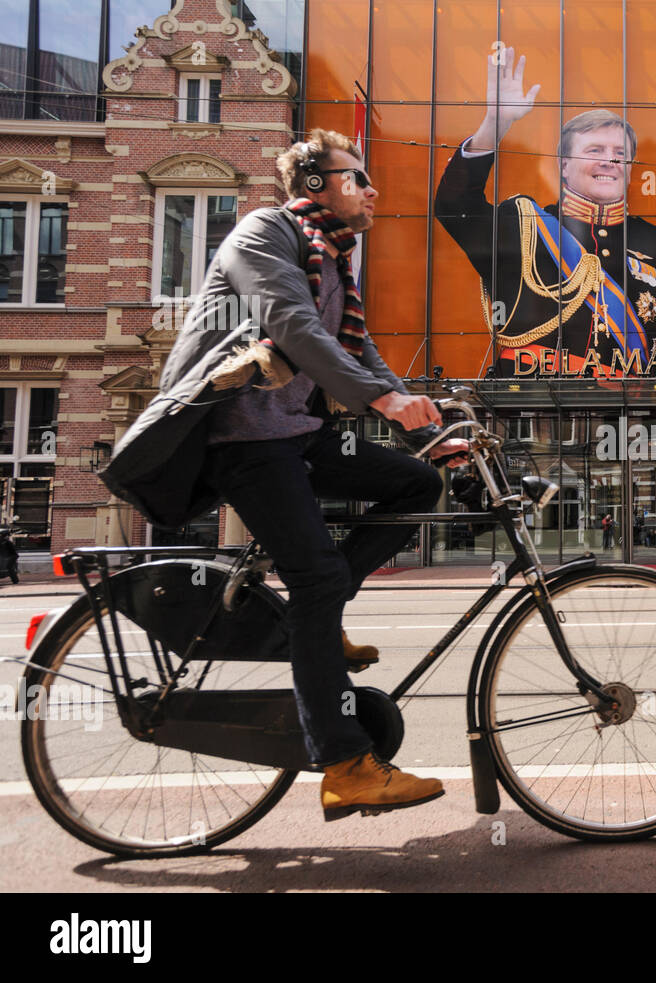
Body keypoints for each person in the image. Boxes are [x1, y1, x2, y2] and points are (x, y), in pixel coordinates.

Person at [101, 128, 471, 823]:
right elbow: (294, 325)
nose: (372, 190)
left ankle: (320, 616)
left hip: (298, 435)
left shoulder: (333, 259)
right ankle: (345, 765)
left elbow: (352, 350)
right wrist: (383, 402)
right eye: (357, 177)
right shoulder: (262, 234)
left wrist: (426, 423)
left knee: (416, 483)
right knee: (316, 577)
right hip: (243, 440)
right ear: (314, 185)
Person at [435, 46, 656, 378]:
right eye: (595, 150)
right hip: (533, 409)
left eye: (619, 153)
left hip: (624, 416)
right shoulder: (523, 225)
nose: (609, 161)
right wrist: (494, 124)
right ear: (564, 165)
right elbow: (455, 207)